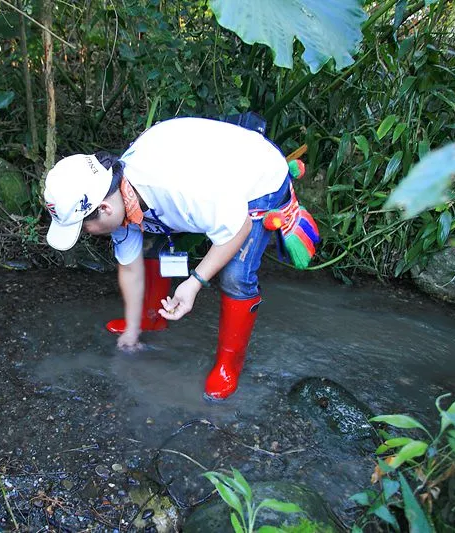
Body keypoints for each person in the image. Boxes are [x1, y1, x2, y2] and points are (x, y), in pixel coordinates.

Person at [43, 116, 317, 401]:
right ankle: (151, 319)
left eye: (83, 226)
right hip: (207, 174)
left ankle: (228, 366)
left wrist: (194, 282)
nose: (86, 233)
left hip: (259, 178)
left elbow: (240, 227)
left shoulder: (179, 190)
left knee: (236, 276)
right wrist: (133, 326)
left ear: (104, 208)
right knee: (150, 244)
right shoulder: (116, 193)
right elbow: (130, 264)